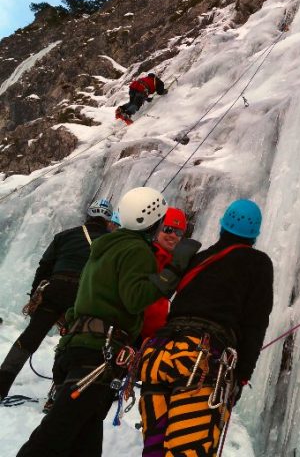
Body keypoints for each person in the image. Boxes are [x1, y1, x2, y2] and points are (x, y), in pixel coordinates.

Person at [16, 187, 199, 457]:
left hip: (79, 347)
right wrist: (173, 270)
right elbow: (135, 299)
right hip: (98, 354)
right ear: (154, 222)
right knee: (54, 435)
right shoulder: (137, 251)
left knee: (85, 437)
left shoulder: (105, 247)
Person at [138, 199, 274, 457]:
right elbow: (256, 323)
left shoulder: (199, 259)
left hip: (159, 357)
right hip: (198, 363)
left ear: (222, 227)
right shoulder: (258, 264)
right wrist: (241, 376)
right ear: (255, 235)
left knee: (155, 450)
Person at [0, 198, 113, 401]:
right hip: (83, 295)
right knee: (71, 343)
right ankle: (58, 396)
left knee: (28, 339)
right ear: (108, 221)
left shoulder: (65, 236)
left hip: (55, 288)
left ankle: (1, 385)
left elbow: (44, 267)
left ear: (88, 216)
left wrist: (37, 295)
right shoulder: (110, 242)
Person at [140, 207, 188, 340]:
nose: (173, 235)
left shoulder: (176, 263)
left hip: (155, 337)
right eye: (168, 229)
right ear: (157, 228)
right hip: (136, 333)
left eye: (178, 232)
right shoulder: (145, 254)